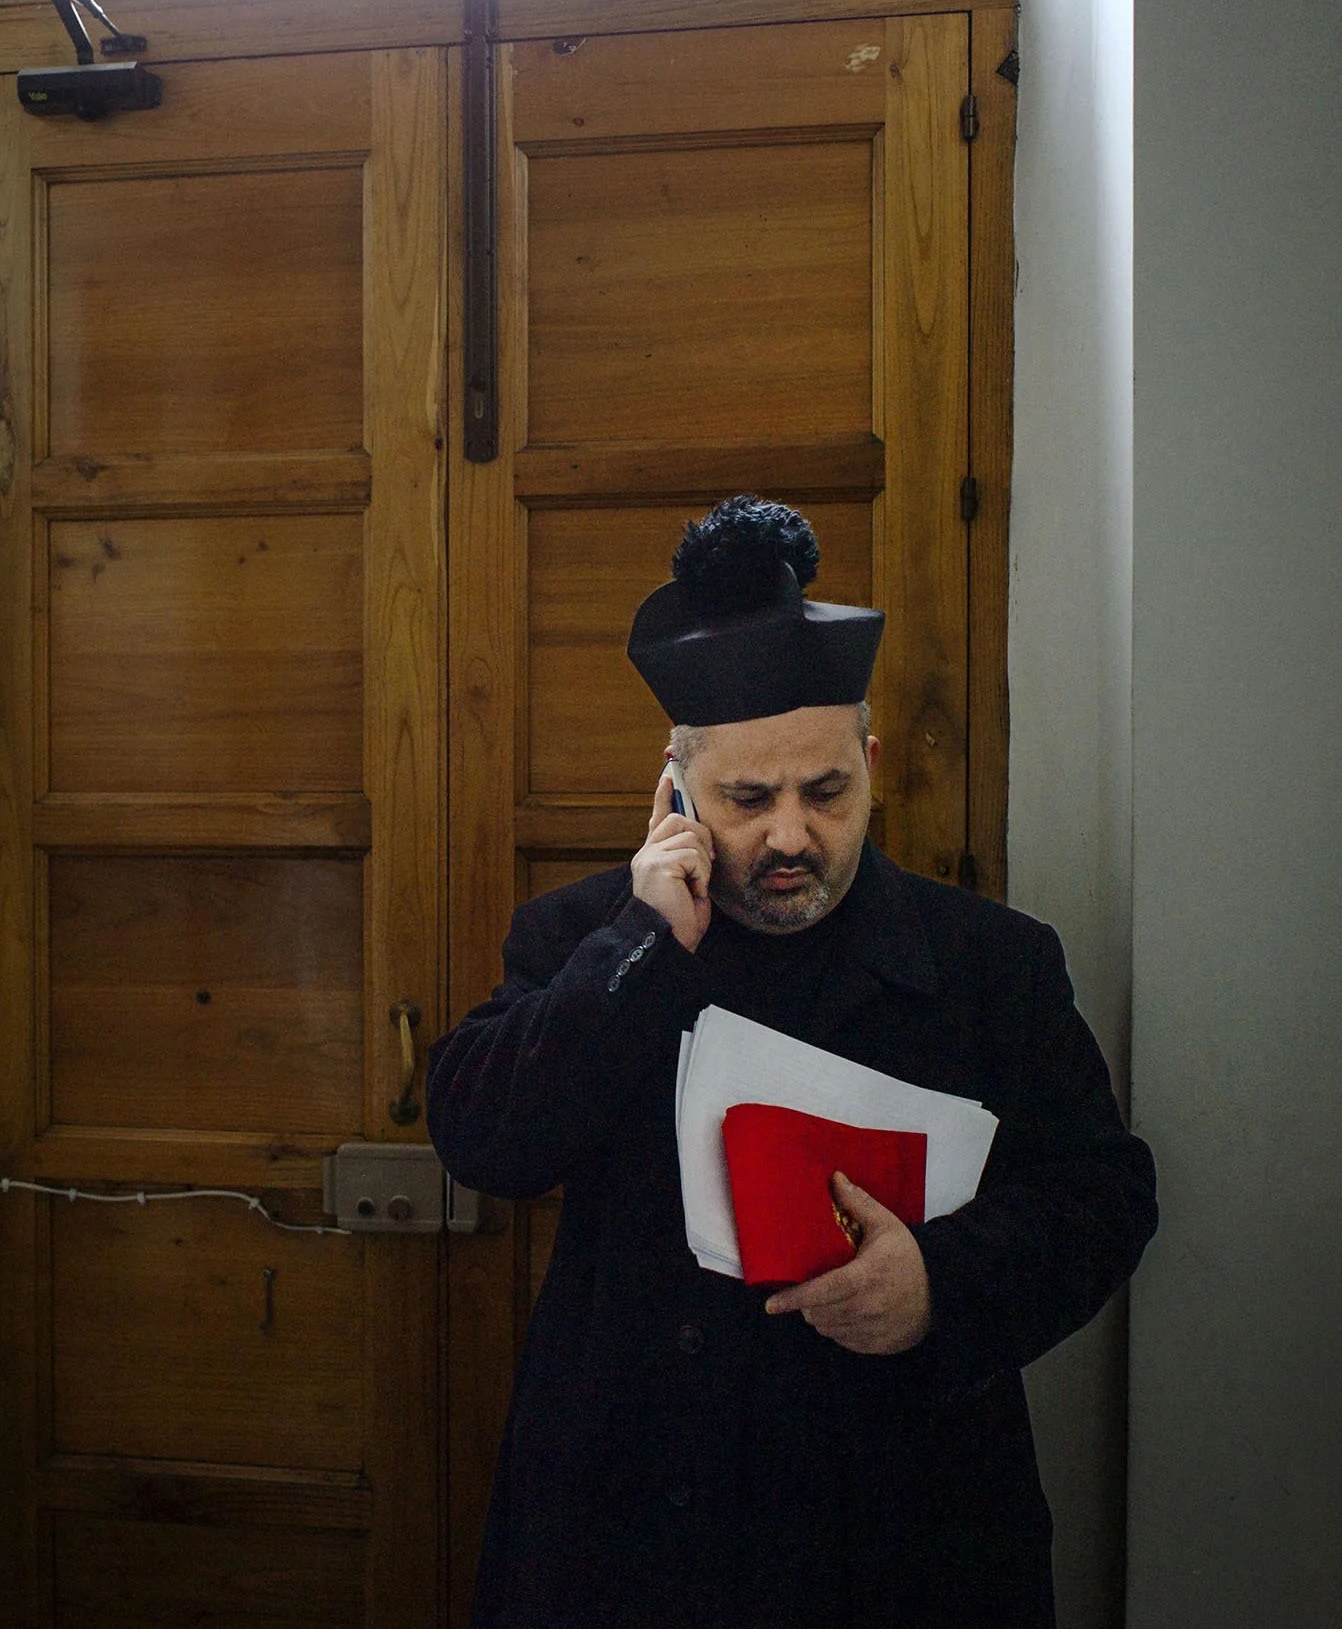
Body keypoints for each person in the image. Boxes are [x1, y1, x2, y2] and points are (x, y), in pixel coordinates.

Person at [425, 496, 1159, 1629]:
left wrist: (940, 1286)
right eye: (746, 797)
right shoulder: (581, 938)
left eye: (825, 792)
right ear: (675, 788)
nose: (789, 836)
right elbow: (484, 1140)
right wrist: (637, 946)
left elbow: (1107, 1193)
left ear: (868, 765)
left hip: (896, 1520)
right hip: (635, 1525)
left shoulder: (992, 965)